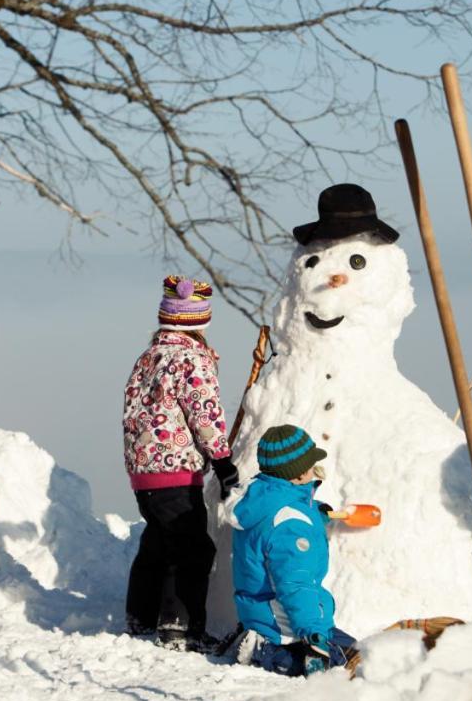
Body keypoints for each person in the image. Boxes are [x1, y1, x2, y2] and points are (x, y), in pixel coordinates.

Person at [122, 276, 240, 651]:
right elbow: (204, 415)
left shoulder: (148, 357)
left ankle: (140, 615)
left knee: (157, 543)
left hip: (144, 474)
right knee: (192, 549)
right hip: (176, 470)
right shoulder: (191, 360)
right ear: (199, 321)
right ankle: (179, 626)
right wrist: (222, 461)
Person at [229, 424, 357, 675]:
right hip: (283, 625)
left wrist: (314, 512)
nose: (314, 472)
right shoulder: (290, 525)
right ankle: (261, 650)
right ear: (298, 476)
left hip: (265, 611)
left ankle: (261, 641)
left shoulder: (263, 497)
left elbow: (282, 510)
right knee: (335, 665)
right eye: (311, 468)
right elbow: (295, 584)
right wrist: (312, 632)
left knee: (355, 649)